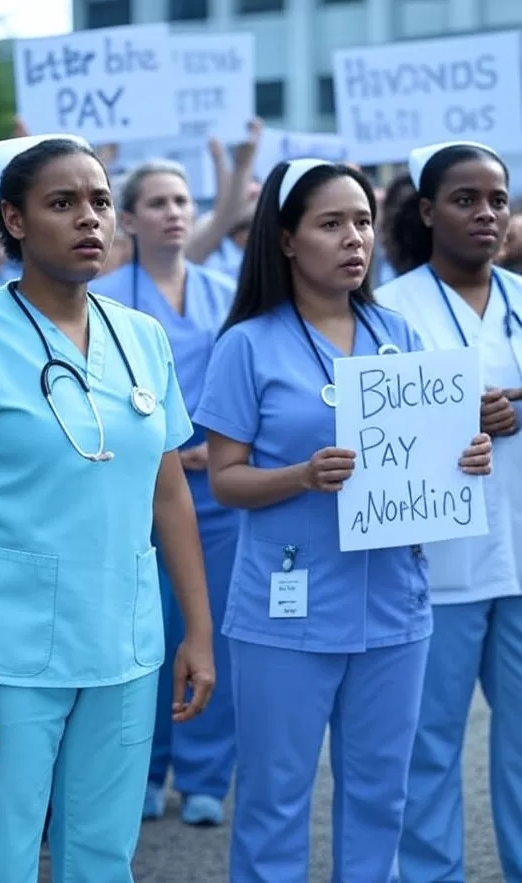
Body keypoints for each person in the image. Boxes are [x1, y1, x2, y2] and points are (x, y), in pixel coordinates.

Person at [0, 133, 216, 883]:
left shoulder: (143, 338)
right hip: (4, 653)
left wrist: (196, 628)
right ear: (15, 220)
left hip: (123, 644)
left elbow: (169, 493)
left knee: (101, 858)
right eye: (62, 203)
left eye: (99, 201)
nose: (89, 218)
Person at [193, 158, 493, 883]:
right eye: (332, 223)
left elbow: (427, 454)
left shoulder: (401, 335)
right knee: (274, 798)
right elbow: (225, 478)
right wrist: (301, 475)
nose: (354, 238)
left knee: (380, 795)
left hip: (395, 605)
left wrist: (465, 455)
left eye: (362, 221)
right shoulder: (247, 344)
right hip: (287, 609)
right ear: (288, 239)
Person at [376, 140, 522, 883]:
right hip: (437, 559)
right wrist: (454, 420)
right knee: (428, 741)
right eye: (466, 199)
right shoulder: (387, 312)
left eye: (497, 198)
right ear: (428, 211)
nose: (487, 213)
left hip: (521, 556)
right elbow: (375, 439)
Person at [92, 159, 239, 827]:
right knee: (144, 628)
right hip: (138, 488)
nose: (174, 212)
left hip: (220, 485)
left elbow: (244, 381)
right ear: (129, 218)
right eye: (156, 202)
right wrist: (166, 453)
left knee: (215, 633)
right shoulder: (105, 296)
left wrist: (223, 447)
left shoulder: (225, 288)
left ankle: (206, 774)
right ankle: (146, 770)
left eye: (182, 199)